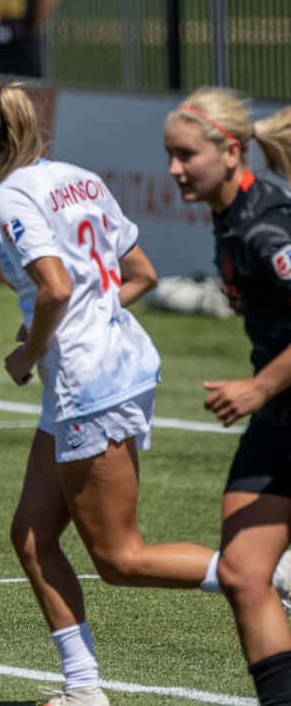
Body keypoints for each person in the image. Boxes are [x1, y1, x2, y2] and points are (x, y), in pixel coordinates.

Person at [0, 79, 290, 706]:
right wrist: (75, 323)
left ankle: (262, 574)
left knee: (119, 558)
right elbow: (141, 275)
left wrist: (29, 350)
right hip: (110, 364)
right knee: (31, 535)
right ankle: (83, 689)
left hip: (91, 381)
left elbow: (54, 287)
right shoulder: (77, 177)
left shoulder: (8, 197)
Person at [164, 88, 291, 705]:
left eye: (185, 154)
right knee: (243, 573)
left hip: (276, 403)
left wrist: (259, 385)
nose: (173, 169)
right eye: (169, 154)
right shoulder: (230, 213)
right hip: (280, 420)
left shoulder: (268, 225)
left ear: (230, 151)